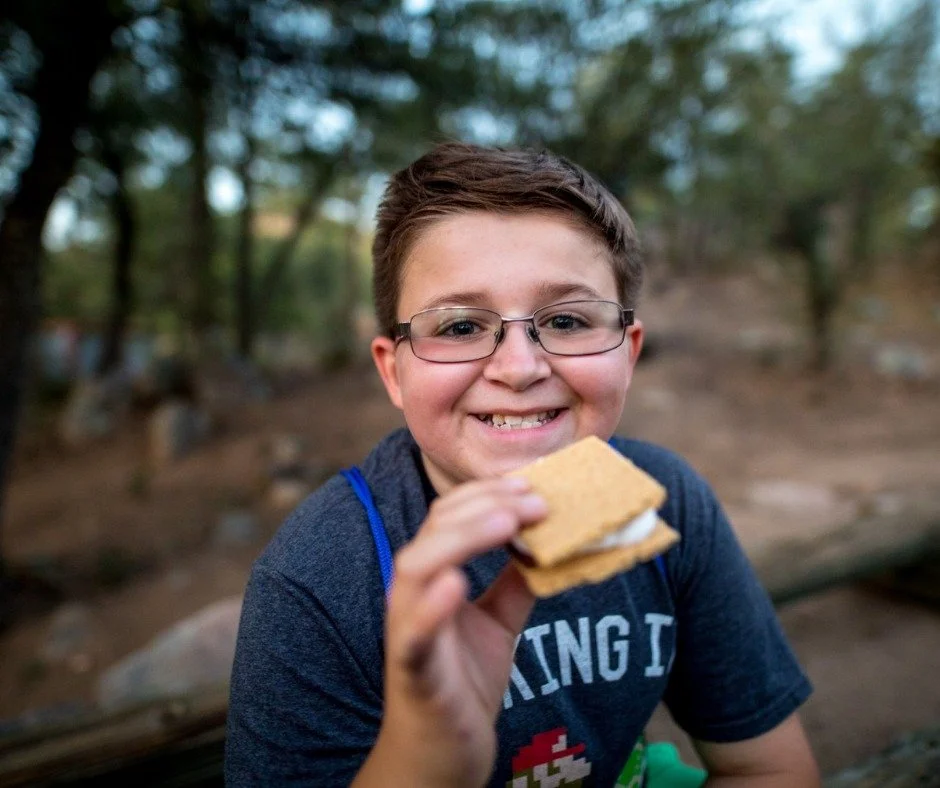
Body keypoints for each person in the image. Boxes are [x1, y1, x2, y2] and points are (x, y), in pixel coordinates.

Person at [225, 142, 821, 787]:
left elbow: (769, 768)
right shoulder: (317, 582)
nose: (518, 368)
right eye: (458, 327)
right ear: (393, 372)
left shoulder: (663, 499)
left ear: (628, 351)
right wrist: (426, 757)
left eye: (566, 319)